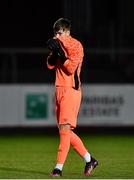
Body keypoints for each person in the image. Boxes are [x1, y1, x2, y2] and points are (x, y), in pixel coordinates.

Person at [46, 18, 98, 177]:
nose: (57, 35)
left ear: (67, 32)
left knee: (64, 130)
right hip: (59, 90)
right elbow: (49, 64)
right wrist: (55, 53)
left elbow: (70, 69)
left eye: (59, 32)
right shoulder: (58, 44)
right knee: (65, 131)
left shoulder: (76, 45)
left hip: (71, 90)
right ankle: (90, 160)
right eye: (55, 32)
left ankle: (58, 168)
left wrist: (60, 53)